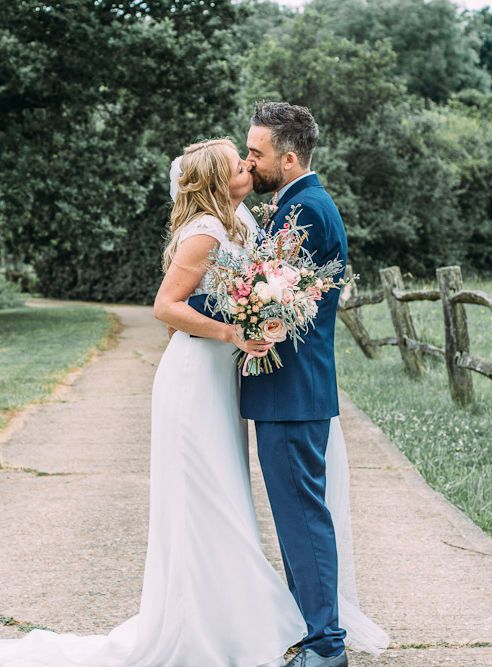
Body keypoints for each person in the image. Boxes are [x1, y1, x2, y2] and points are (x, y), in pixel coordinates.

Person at [0, 138, 309, 666]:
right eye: (239, 163)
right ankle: (197, 629)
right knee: (200, 496)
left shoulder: (240, 222)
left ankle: (233, 617)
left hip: (218, 381)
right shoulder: (207, 231)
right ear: (217, 180)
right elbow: (165, 307)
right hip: (192, 381)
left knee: (227, 494)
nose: (247, 165)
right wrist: (233, 333)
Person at [188, 101, 352, 667]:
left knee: (301, 516)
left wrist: (187, 300)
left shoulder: (304, 211)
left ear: (287, 157)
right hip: (289, 391)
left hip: (292, 391)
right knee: (295, 514)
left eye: (255, 153)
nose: (249, 162)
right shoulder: (293, 205)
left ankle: (327, 646)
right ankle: (311, 628)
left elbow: (263, 295)